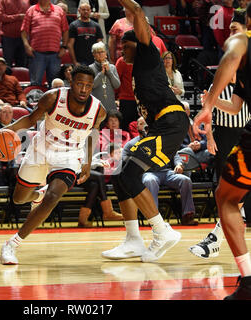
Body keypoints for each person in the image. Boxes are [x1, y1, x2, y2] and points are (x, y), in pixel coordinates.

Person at [101, 0, 189, 263]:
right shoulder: (137, 70)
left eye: (125, 46)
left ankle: (162, 232)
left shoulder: (148, 53)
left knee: (128, 174)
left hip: (171, 123)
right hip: (160, 127)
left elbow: (137, 11)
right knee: (119, 173)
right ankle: (133, 240)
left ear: (139, 43)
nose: (121, 49)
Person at [0, 64, 107, 265]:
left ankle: (12, 244)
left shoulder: (98, 110)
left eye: (88, 86)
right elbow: (30, 119)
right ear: (71, 83)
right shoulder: (53, 98)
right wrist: (7, 130)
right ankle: (37, 195)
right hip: (41, 150)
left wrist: (87, 160)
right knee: (19, 199)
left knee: (54, 196)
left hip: (69, 155)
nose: (83, 89)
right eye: (79, 84)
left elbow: (93, 133)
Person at [192, 2, 251, 299]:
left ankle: (249, 281)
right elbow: (236, 105)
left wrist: (205, 106)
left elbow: (230, 55)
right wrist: (212, 103)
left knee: (226, 198)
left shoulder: (242, 40)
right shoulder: (243, 77)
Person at [21, 0, 69, 87]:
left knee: (55, 84)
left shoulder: (59, 10)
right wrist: (26, 46)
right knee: (35, 84)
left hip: (55, 54)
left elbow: (65, 30)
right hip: (36, 54)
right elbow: (24, 30)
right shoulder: (31, 10)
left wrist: (64, 47)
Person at [77, 142, 123, 227]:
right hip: (76, 173)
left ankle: (82, 221)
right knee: (100, 176)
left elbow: (90, 161)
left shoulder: (85, 148)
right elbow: (82, 164)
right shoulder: (74, 148)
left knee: (95, 186)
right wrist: (99, 163)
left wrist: (99, 162)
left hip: (86, 176)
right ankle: (108, 212)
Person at [178, 103, 213, 171]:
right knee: (187, 152)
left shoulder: (198, 125)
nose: (184, 112)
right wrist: (188, 147)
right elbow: (174, 144)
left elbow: (207, 141)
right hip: (184, 154)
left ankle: (215, 180)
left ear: (189, 111)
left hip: (199, 154)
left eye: (186, 110)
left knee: (213, 151)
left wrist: (200, 144)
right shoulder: (175, 127)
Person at [67, 2, 103, 66]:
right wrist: (74, 62)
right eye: (83, 10)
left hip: (94, 60)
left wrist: (101, 59)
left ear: (90, 11)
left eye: (88, 10)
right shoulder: (73, 25)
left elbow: (100, 45)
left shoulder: (96, 25)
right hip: (79, 61)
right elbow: (70, 45)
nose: (86, 11)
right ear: (79, 10)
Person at [0, 0, 30, 67]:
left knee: (22, 65)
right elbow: (1, 17)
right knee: (7, 65)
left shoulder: (26, 1)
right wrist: (18, 17)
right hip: (8, 37)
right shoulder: (3, 1)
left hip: (23, 37)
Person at [89, 41, 121, 112]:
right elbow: (92, 86)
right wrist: (102, 73)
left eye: (102, 52)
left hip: (111, 104)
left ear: (106, 54)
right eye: (97, 52)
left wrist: (109, 72)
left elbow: (117, 85)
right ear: (93, 55)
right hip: (96, 105)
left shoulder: (112, 67)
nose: (100, 54)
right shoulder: (90, 68)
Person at [115, 33, 137, 131]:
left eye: (126, 47)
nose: (123, 51)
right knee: (124, 128)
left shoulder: (142, 60)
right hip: (126, 100)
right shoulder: (121, 61)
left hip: (141, 100)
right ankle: (123, 146)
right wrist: (117, 97)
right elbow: (116, 81)